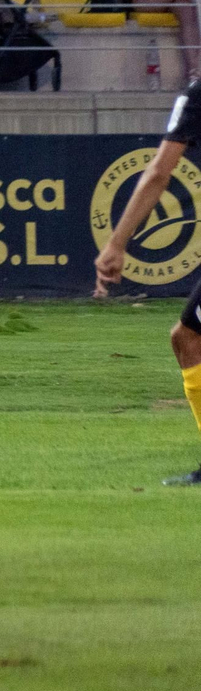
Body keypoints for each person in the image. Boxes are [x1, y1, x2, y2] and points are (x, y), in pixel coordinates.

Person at [93, 77, 201, 485]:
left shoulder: (197, 95)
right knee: (187, 337)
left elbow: (159, 173)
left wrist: (117, 243)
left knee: (188, 339)